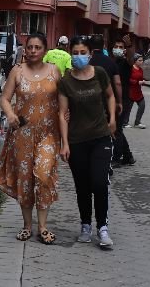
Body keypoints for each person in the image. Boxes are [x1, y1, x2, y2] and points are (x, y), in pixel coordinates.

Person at [0, 33, 63, 244]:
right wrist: (10, 114)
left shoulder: (54, 71)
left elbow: (64, 99)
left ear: (45, 50)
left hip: (48, 134)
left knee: (44, 175)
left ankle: (43, 227)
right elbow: (5, 98)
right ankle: (27, 226)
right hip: (22, 134)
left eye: (37, 47)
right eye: (30, 47)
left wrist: (67, 120)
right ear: (25, 49)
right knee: (25, 180)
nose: (33, 51)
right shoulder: (17, 71)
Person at [58, 36, 117, 249]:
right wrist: (64, 143)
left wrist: (112, 119)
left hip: (100, 137)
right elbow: (62, 113)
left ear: (90, 54)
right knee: (82, 186)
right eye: (75, 53)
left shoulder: (99, 73)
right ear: (70, 54)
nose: (79, 56)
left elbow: (110, 96)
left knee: (99, 183)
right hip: (77, 141)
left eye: (83, 52)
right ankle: (85, 226)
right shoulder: (65, 81)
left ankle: (102, 228)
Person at [108, 38, 136, 165]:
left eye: (121, 47)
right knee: (118, 128)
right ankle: (128, 156)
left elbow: (131, 59)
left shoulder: (126, 62)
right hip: (113, 99)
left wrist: (129, 46)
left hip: (124, 99)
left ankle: (117, 157)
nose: (118, 49)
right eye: (116, 46)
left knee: (117, 129)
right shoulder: (111, 62)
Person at [129, 53, 147, 129]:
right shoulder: (131, 69)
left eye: (142, 60)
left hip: (138, 92)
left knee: (142, 105)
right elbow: (128, 79)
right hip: (131, 91)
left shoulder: (141, 70)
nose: (141, 62)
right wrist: (136, 82)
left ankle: (137, 122)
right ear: (135, 61)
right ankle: (124, 122)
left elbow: (141, 78)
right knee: (128, 108)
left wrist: (142, 82)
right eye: (139, 60)